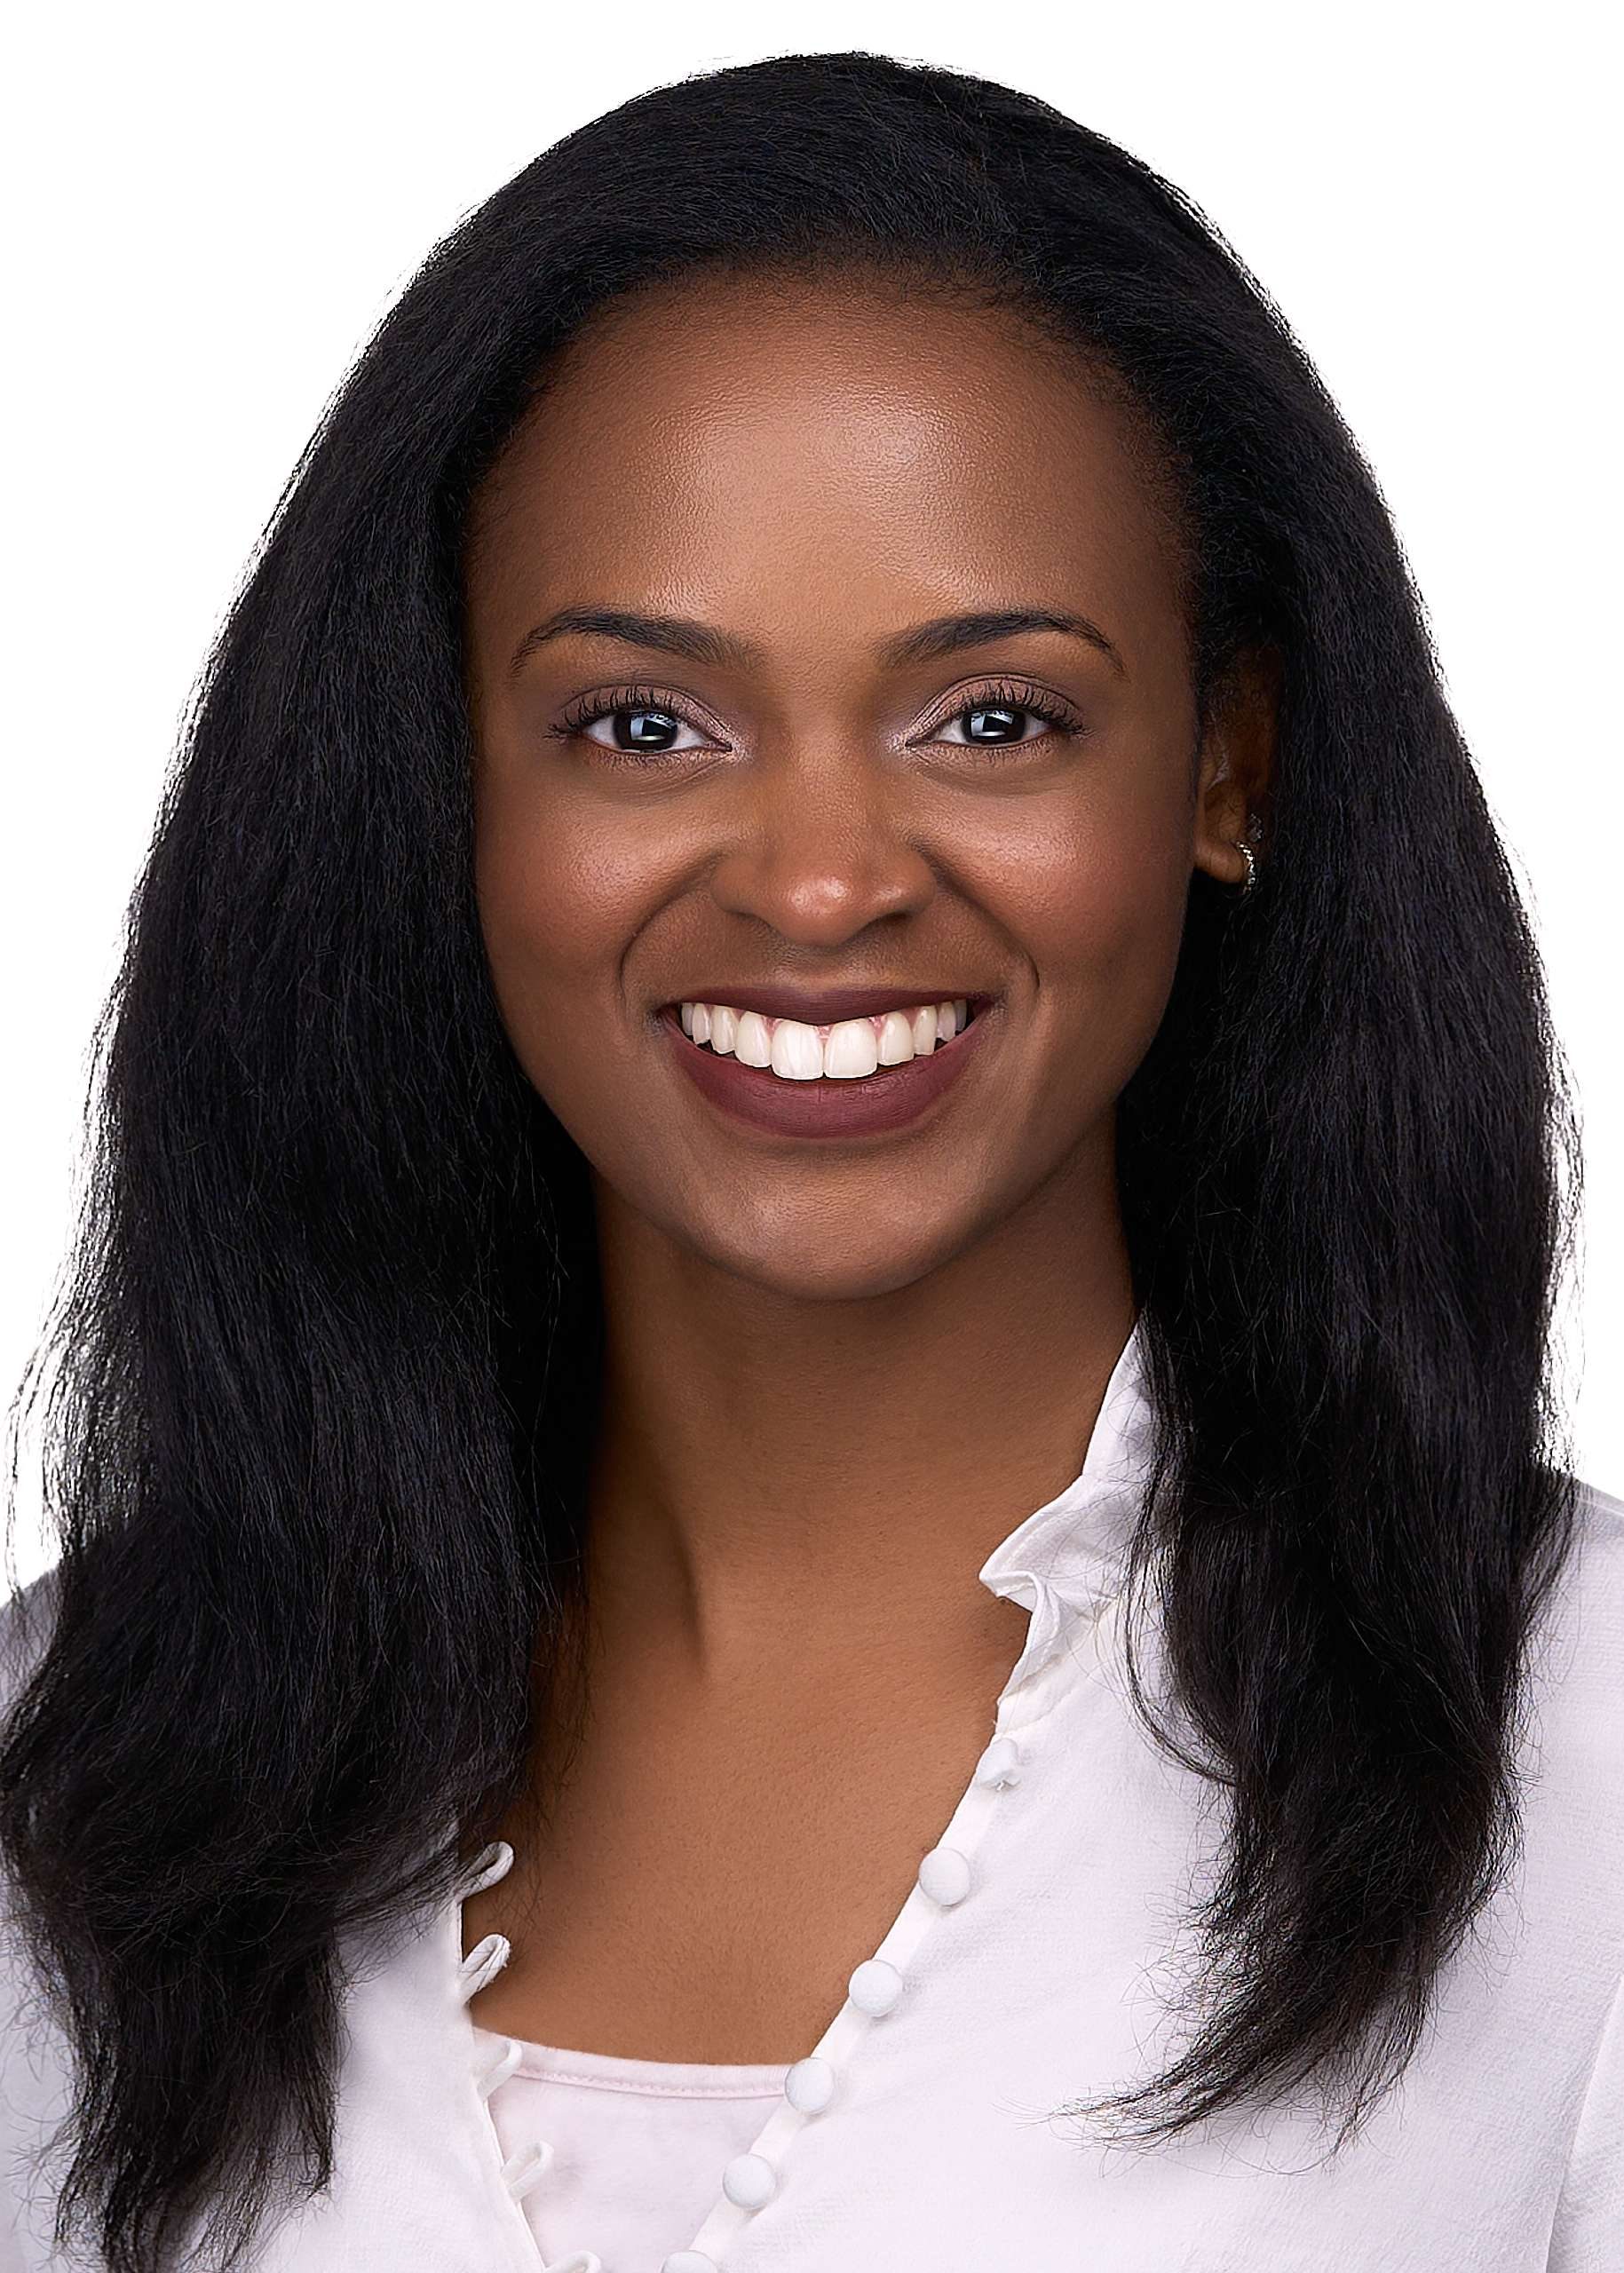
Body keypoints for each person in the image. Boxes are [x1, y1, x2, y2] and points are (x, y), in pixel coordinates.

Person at [2, 45, 1618, 2273]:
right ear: (443, 786)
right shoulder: (62, 1780)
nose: (830, 879)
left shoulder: (1590, 1769)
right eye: (643, 724)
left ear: (1227, 766)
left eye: (996, 715)